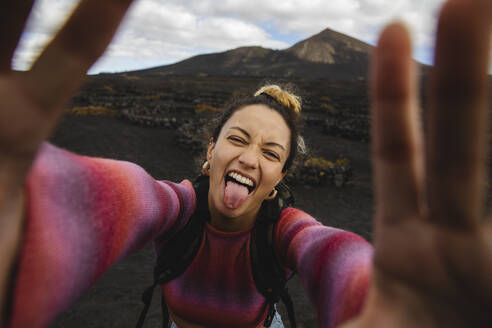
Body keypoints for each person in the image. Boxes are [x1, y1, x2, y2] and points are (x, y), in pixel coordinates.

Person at [0, 0, 490, 327]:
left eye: (272, 153)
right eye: (237, 138)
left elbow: (330, 252)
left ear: (279, 179)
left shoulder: (287, 231)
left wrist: (374, 293)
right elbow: (131, 196)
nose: (250, 158)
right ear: (211, 151)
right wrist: (35, 211)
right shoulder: (177, 206)